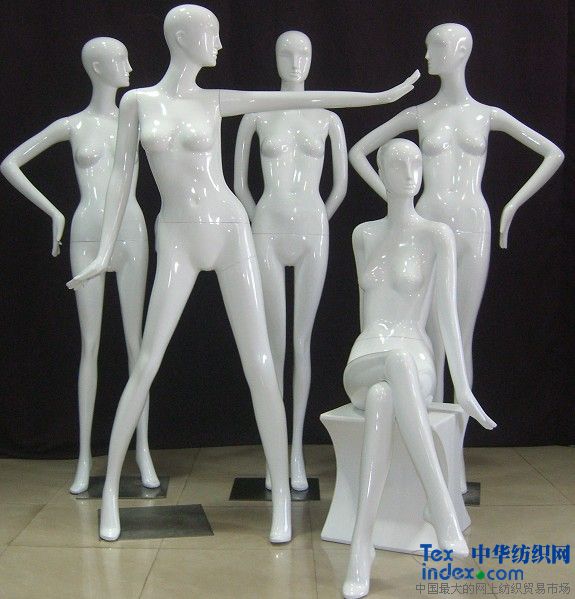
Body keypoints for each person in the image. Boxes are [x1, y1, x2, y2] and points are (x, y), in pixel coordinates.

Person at [67, 5, 420, 543]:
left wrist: (379, 98)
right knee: (146, 361)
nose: (219, 45)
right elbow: (120, 180)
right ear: (183, 38)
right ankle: (111, 494)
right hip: (177, 235)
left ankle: (280, 501)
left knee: (260, 363)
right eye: (210, 34)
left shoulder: (213, 100)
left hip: (230, 229)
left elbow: (302, 99)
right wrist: (101, 252)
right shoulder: (138, 103)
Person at [348, 23, 563, 492]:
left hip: (472, 225)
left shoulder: (486, 115)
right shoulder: (420, 114)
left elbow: (552, 153)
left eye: (434, 47)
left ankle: (454, 462)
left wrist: (510, 206)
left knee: (460, 335)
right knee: (427, 340)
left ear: (459, 50)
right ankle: (427, 451)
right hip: (427, 222)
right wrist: (395, 201)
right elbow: (359, 151)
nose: (427, 56)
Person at [1, 38, 158, 495]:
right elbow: (11, 163)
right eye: (120, 60)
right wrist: (54, 212)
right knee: (90, 345)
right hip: (87, 233)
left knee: (137, 345)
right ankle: (86, 456)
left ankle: (142, 449)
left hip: (131, 232)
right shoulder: (72, 126)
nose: (130, 67)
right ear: (97, 67)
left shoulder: (138, 118)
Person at [342, 139, 496, 599]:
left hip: (415, 356)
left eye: (416, 162)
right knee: (387, 371)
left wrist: (462, 387)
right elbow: (364, 312)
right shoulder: (363, 235)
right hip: (367, 356)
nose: (410, 172)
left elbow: (447, 317)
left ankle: (361, 546)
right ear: (380, 171)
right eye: (397, 163)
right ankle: (440, 505)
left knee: (385, 394)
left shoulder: (436, 235)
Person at [234, 31, 348, 491]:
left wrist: (319, 217)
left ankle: (296, 448)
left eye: (303, 52)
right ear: (274, 57)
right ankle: (274, 452)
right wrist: (257, 216)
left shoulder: (328, 118)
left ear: (313, 57)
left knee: (301, 342)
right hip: (267, 226)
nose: (295, 60)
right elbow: (239, 183)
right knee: (274, 343)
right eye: (286, 52)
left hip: (312, 228)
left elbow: (339, 185)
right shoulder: (256, 115)